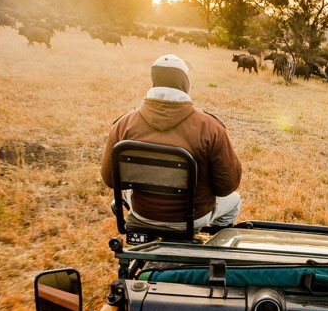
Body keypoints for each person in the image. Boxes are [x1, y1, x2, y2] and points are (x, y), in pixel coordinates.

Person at [101, 54, 242, 230]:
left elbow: (110, 179)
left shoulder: (124, 124)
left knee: (121, 196)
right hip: (192, 219)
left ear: (154, 81)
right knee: (234, 200)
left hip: (142, 214)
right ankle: (214, 244)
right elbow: (226, 187)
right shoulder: (210, 127)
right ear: (185, 84)